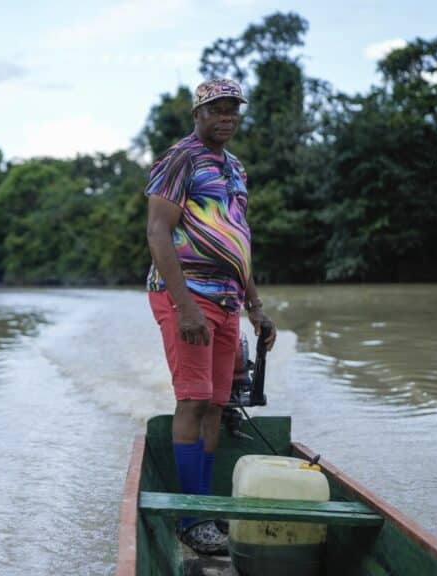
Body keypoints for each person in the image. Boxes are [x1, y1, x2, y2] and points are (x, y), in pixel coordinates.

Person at [144, 78, 277, 555]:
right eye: (216, 109)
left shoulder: (236, 167)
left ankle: (202, 509)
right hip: (187, 297)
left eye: (232, 109)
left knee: (217, 406)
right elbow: (158, 233)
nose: (226, 117)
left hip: (226, 300)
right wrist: (183, 307)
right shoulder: (180, 158)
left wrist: (255, 307)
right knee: (194, 401)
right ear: (198, 114)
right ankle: (190, 516)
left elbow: (238, 240)